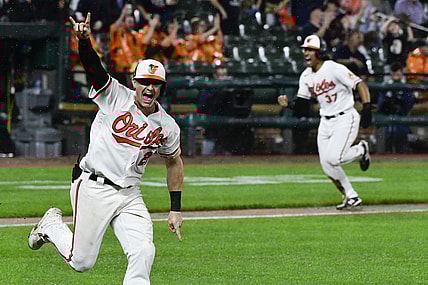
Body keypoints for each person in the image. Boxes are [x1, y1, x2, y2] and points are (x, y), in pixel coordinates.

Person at [28, 12, 184, 285]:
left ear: (161, 88)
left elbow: (174, 162)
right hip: (93, 186)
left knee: (144, 250)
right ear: (134, 82)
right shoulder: (115, 96)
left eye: (155, 84)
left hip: (130, 195)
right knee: (81, 263)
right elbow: (94, 69)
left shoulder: (168, 126)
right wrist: (84, 42)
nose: (149, 87)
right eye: (144, 82)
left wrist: (176, 208)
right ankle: (51, 226)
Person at [277, 34, 372, 210]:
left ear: (320, 52)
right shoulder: (306, 76)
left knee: (334, 158)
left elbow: (360, 85)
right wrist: (289, 104)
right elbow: (302, 108)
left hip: (345, 117)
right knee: (326, 165)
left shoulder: (334, 68)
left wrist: (366, 107)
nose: (306, 53)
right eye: (305, 49)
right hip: (326, 121)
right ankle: (351, 196)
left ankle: (361, 150)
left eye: (311, 50)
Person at [377, 62, 415, 152]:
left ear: (401, 73)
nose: (395, 76)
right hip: (387, 119)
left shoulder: (406, 87)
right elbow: (380, 105)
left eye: (398, 74)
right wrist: (388, 101)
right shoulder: (386, 87)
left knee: (402, 146)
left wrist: (399, 102)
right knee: (387, 146)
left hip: (401, 119)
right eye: (394, 74)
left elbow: (409, 104)